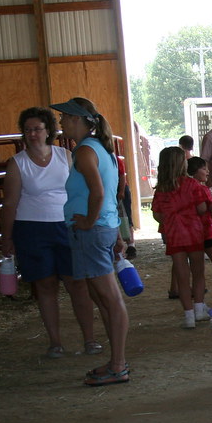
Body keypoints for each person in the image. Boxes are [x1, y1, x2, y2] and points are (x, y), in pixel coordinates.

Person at [0, 107, 99, 358]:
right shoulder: (17, 163)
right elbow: (10, 203)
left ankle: (90, 339)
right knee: (45, 286)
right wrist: (7, 238)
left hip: (64, 225)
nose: (32, 134)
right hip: (31, 229)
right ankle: (55, 342)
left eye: (37, 129)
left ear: (48, 131)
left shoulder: (65, 155)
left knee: (77, 284)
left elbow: (79, 188)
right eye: (28, 130)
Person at [49, 97, 129, 386]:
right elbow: (111, 192)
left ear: (79, 120)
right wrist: (115, 230)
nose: (61, 122)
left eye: (65, 117)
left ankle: (118, 364)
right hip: (102, 228)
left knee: (109, 298)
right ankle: (116, 360)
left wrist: (88, 220)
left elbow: (97, 193)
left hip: (92, 231)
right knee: (103, 297)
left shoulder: (84, 151)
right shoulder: (99, 148)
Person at [152, 146, 209, 329]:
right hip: (194, 233)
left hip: (174, 235)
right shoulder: (192, 185)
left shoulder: (161, 189)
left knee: (182, 277)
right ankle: (199, 308)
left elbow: (157, 215)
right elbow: (202, 208)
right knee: (198, 273)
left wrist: (170, 219)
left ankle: (188, 315)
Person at [187, 156, 212, 290]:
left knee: (192, 265)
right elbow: (209, 210)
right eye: (204, 168)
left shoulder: (184, 187)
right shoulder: (202, 189)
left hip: (190, 232)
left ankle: (187, 291)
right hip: (205, 231)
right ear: (195, 170)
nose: (207, 171)